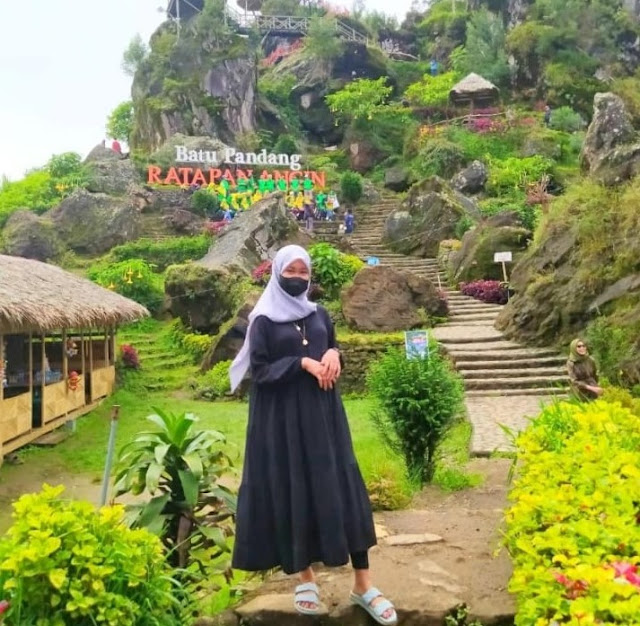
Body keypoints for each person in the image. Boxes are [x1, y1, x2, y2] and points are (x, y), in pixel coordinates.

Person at [229, 246, 397, 625]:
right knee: (295, 488)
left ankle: (363, 584)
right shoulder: (263, 321)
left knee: (342, 486)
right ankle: (304, 576)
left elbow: (330, 344)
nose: (299, 277)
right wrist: (301, 362)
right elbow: (259, 371)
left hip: (325, 418)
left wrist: (335, 354)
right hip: (284, 421)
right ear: (276, 273)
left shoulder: (319, 313)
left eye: (304, 271)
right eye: (292, 270)